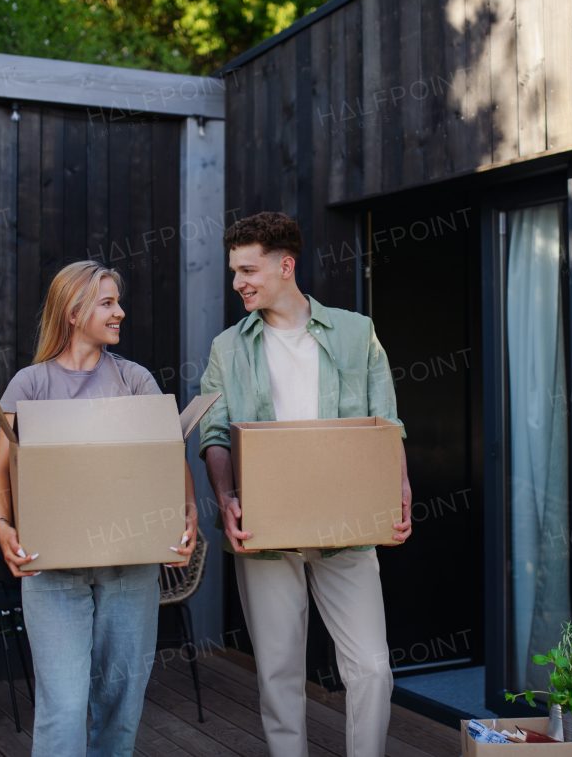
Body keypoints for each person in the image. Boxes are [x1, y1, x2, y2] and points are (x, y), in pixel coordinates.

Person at [198, 211, 412, 757]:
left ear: (285, 265)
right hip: (266, 531)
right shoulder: (229, 348)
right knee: (279, 674)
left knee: (371, 668)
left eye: (247, 270)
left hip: (347, 527)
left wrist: (400, 487)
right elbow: (214, 432)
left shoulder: (356, 333)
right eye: (233, 271)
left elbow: (386, 423)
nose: (237, 283)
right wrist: (225, 499)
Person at [0, 260, 197, 757]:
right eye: (108, 303)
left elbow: (171, 460)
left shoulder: (134, 379)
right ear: (74, 312)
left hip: (129, 567)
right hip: (53, 570)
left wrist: (185, 515)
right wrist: (2, 528)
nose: (120, 312)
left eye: (117, 302)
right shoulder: (31, 384)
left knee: (120, 702)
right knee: (63, 704)